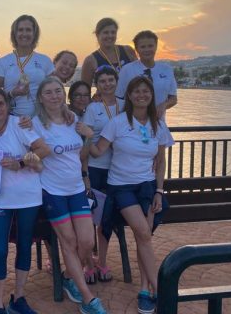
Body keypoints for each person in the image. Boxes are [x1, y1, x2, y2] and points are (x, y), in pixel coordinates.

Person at [88, 76, 174, 314]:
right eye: (136, 91)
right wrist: (84, 135)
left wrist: (159, 191)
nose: (141, 95)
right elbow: (97, 151)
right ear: (129, 95)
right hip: (121, 187)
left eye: (146, 91)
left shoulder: (158, 125)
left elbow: (161, 161)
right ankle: (160, 290)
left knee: (143, 237)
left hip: (148, 187)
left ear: (151, 95)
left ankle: (145, 290)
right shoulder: (117, 122)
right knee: (144, 233)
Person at [32, 77, 107, 314]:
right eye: (48, 92)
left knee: (87, 242)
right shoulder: (35, 124)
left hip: (76, 189)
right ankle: (88, 299)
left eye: (57, 91)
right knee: (69, 242)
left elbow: (81, 155)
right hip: (52, 191)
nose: (54, 96)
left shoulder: (72, 119)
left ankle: (67, 276)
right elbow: (31, 154)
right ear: (40, 97)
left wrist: (88, 136)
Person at [0, 88, 50, 314]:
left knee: (24, 245)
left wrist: (20, 163)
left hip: (28, 196)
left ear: (7, 105)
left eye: (1, 103)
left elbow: (43, 149)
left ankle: (18, 298)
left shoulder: (18, 124)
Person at [81, 66, 124, 284]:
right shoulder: (93, 108)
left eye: (111, 80)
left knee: (106, 219)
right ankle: (89, 264)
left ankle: (103, 261)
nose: (107, 84)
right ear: (97, 84)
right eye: (103, 81)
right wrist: (85, 173)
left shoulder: (126, 105)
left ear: (117, 81)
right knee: (90, 218)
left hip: (118, 170)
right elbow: (85, 140)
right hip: (96, 168)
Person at [0, 15, 54, 116]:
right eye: (20, 30)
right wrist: (12, 93)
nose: (24, 34)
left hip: (41, 119)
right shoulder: (3, 62)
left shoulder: (45, 61)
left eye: (28, 30)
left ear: (34, 34)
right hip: (11, 118)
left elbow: (55, 91)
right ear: (14, 34)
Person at [115, 30, 177, 119]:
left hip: (158, 122)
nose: (147, 50)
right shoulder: (127, 70)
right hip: (131, 122)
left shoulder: (167, 70)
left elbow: (173, 98)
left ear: (156, 46)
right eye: (143, 47)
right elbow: (118, 97)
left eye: (150, 46)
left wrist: (164, 105)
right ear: (137, 49)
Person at [80, 18, 136, 86]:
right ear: (97, 35)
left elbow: (139, 74)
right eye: (106, 32)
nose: (110, 36)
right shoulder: (90, 60)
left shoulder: (128, 50)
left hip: (130, 92)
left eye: (113, 32)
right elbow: (84, 89)